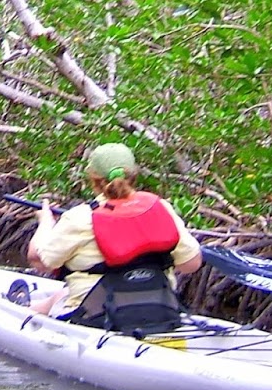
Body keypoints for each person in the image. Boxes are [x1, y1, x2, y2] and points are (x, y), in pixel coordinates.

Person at [23, 142, 202, 332]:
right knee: (60, 295)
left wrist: (46, 222)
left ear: (93, 179)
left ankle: (23, 312)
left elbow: (40, 260)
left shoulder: (79, 217)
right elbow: (191, 264)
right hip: (161, 314)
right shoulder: (161, 208)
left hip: (97, 320)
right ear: (134, 175)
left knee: (61, 297)